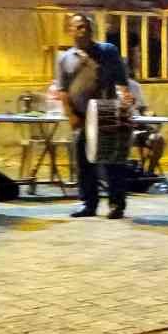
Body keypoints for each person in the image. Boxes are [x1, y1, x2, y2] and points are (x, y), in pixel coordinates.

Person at [55, 14, 135, 219]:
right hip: (81, 115)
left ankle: (117, 204)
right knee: (83, 161)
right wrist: (71, 114)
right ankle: (88, 203)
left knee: (113, 160)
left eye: (87, 27)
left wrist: (125, 98)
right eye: (79, 27)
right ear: (70, 30)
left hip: (107, 111)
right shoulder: (64, 58)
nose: (84, 31)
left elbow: (121, 81)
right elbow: (63, 90)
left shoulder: (107, 51)